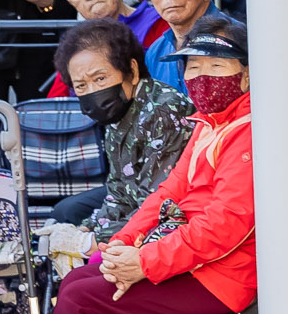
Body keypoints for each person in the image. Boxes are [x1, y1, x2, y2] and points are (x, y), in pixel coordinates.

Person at [0, 16, 259, 314]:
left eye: (216, 65)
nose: (201, 77)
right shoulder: (212, 122)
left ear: (244, 73)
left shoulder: (245, 132)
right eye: (193, 66)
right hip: (194, 259)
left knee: (84, 300)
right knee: (78, 283)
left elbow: (224, 229)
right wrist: (124, 244)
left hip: (224, 277)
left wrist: (144, 262)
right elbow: (168, 192)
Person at [51, 17, 196, 234]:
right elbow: (119, 192)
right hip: (141, 217)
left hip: (173, 225)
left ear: (132, 71)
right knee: (65, 214)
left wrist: (97, 241)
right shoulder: (119, 112)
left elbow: (157, 204)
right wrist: (87, 229)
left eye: (100, 79)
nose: (92, 91)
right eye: (81, 85)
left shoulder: (164, 112)